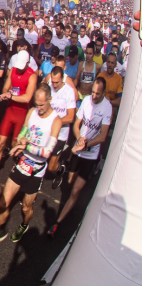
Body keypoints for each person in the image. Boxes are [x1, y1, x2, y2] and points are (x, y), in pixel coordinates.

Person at [0, 85, 61, 247]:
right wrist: (20, 142)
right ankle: (1, 229)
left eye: (42, 105)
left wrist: (25, 145)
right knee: (2, 202)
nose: (39, 108)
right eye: (36, 104)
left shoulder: (56, 121)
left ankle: (24, 225)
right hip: (23, 164)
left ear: (50, 100)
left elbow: (47, 152)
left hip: (37, 170)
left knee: (26, 208)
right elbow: (21, 135)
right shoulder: (32, 112)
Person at [47, 77, 112, 236]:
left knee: (75, 190)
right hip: (79, 148)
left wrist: (85, 144)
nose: (94, 96)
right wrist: (78, 139)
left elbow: (103, 136)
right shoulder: (87, 101)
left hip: (91, 152)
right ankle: (72, 199)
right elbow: (77, 125)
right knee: (70, 182)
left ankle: (57, 223)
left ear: (104, 92)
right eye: (93, 92)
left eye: (98, 93)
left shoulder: (107, 107)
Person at [0, 49, 38, 170]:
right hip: (10, 110)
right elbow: (5, 87)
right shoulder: (13, 70)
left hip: (21, 114)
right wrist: (5, 93)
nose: (19, 68)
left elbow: (27, 98)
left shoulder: (32, 76)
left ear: (28, 63)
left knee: (15, 145)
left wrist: (11, 96)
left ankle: (19, 167)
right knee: (0, 142)